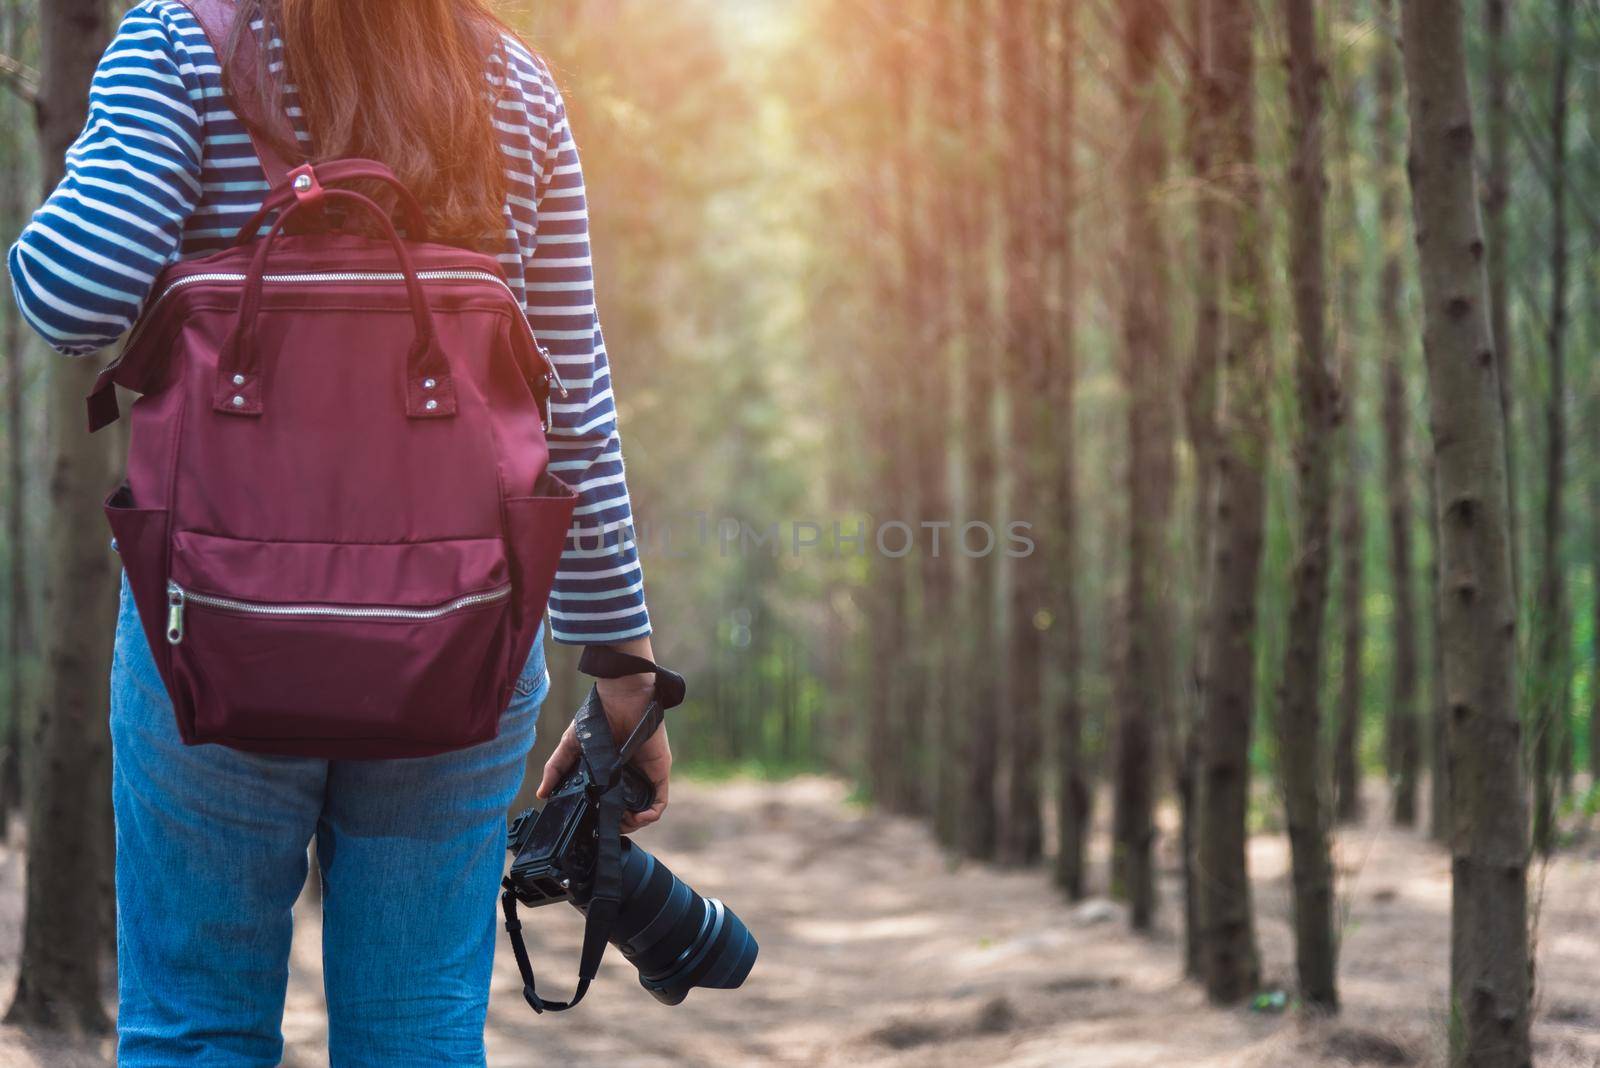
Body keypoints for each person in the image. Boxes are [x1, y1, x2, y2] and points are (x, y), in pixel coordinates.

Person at [7, 1, 671, 1063]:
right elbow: (572, 399)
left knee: (194, 1033)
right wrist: (625, 667)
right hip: (464, 634)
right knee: (416, 1030)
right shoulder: (511, 80)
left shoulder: (180, 43)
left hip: (211, 628)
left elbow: (71, 295)